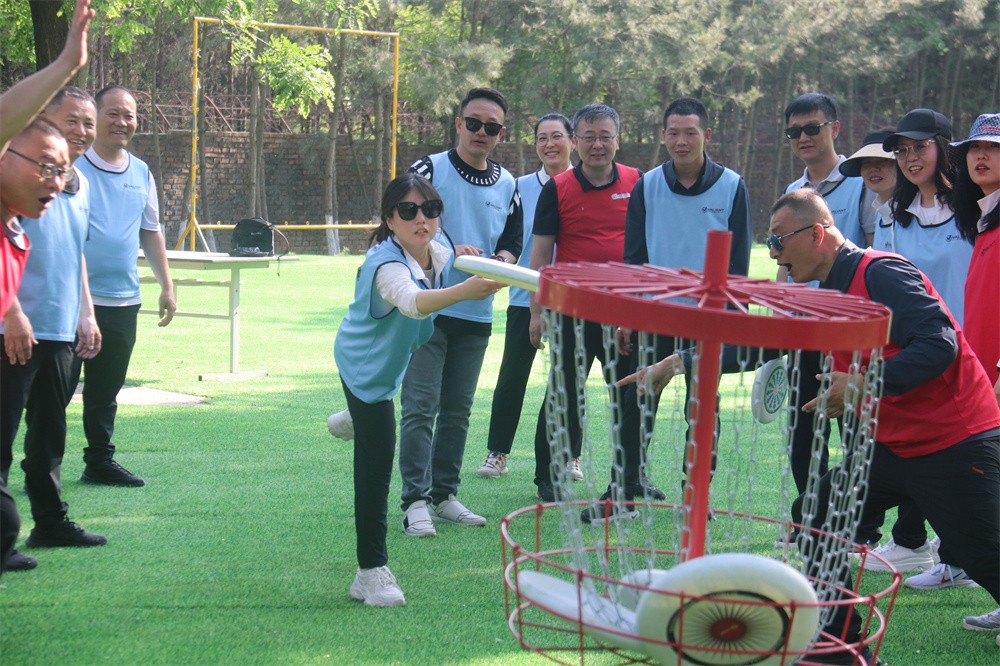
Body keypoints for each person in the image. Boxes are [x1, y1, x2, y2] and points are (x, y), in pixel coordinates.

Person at [768, 188, 1000, 647]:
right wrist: (678, 362)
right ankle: (838, 641)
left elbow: (938, 345)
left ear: (816, 234)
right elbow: (764, 341)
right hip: (894, 448)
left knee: (981, 554)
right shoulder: (826, 293)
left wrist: (860, 384)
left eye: (778, 239)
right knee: (815, 512)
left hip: (954, 440)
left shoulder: (882, 271)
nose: (773, 252)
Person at [334, 173, 503, 606]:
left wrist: (487, 265)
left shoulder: (437, 249)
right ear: (390, 219)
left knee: (377, 417)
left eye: (430, 209)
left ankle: (357, 419)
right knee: (376, 466)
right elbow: (412, 302)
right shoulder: (386, 265)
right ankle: (370, 573)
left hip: (390, 363)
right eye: (408, 211)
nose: (421, 219)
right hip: (364, 368)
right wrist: (464, 291)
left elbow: (450, 257)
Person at [397, 88, 521, 537]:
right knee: (419, 407)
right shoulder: (428, 169)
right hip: (427, 309)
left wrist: (501, 263)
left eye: (491, 127)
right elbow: (403, 223)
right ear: (458, 124)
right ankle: (414, 501)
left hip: (476, 314)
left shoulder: (508, 184)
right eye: (473, 123)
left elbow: (513, 241)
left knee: (457, 411)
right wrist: (448, 249)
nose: (481, 132)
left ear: (501, 133)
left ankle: (444, 495)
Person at [859, 109, 977, 581]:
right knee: (925, 451)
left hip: (970, 351)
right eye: (903, 150)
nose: (910, 158)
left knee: (966, 459)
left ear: (944, 148)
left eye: (920, 147)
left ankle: (956, 556)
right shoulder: (891, 215)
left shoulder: (975, 209)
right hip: (917, 354)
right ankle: (928, 549)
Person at [617, 96, 752, 505]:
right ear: (663, 135)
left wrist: (732, 323)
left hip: (709, 320)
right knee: (638, 398)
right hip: (655, 313)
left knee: (703, 409)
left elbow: (739, 266)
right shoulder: (647, 185)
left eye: (690, 132)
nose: (681, 141)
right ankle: (625, 488)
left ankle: (696, 494)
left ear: (706, 135)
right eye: (673, 133)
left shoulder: (732, 186)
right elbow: (634, 258)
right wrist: (627, 315)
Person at [0, 0, 94, 578]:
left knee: (47, 433)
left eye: (62, 172)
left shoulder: (21, 227)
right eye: (45, 166)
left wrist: (85, 310)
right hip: (19, 334)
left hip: (58, 327)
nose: (56, 182)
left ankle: (47, 518)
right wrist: (66, 64)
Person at [527, 103, 642, 505]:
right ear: (575, 143)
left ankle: (631, 479)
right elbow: (540, 256)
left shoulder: (638, 182)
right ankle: (548, 477)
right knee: (563, 395)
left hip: (623, 315)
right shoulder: (556, 188)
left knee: (631, 397)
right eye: (589, 137)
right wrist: (536, 312)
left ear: (617, 141)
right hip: (570, 314)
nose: (597, 145)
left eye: (605, 137)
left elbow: (647, 248)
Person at [71, 85, 176, 488]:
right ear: (95, 117)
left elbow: (151, 231)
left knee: (105, 390)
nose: (122, 122)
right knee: (56, 390)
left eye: (129, 115)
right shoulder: (73, 166)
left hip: (123, 301)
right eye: (112, 113)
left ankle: (99, 462)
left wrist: (166, 286)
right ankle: (41, 468)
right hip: (72, 300)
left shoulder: (141, 172)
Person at [779, 92, 876, 498]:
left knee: (854, 429)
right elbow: (784, 258)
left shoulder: (860, 184)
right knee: (803, 431)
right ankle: (809, 515)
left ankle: (858, 522)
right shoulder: (793, 190)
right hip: (804, 331)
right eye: (794, 132)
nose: (803, 137)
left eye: (812, 128)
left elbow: (873, 250)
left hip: (849, 331)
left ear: (835, 129)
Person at [478, 112, 574, 480]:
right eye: (542, 138)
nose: (550, 144)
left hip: (571, 302)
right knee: (512, 377)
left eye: (557, 136)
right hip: (524, 299)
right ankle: (497, 452)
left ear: (572, 141)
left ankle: (570, 455)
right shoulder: (518, 187)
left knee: (568, 382)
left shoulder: (584, 186)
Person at [952, 112, 1000, 403]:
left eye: (994, 146)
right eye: (974, 147)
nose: (981, 154)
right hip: (983, 388)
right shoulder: (984, 226)